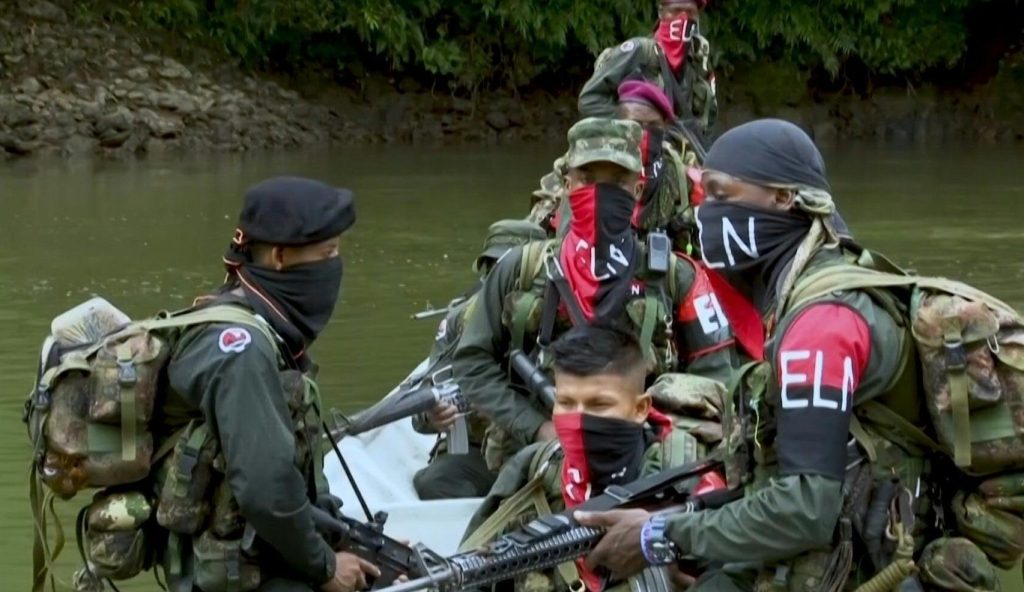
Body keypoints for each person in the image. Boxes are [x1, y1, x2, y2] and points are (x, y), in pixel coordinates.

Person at [573, 120, 1003, 592]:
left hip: (864, 567)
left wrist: (657, 538)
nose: (703, 214)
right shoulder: (826, 283)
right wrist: (678, 518)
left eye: (720, 194)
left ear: (782, 199)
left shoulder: (821, 324)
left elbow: (806, 508)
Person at [453, 117, 737, 478]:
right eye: (588, 180)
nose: (600, 193)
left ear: (638, 190)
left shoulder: (676, 277)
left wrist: (651, 425)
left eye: (616, 182)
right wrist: (536, 427)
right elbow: (472, 362)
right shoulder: (520, 269)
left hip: (645, 461)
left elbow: (718, 382)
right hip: (533, 459)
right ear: (567, 186)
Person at [156, 177, 380, 592]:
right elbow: (266, 489)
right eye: (327, 253)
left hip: (256, 549)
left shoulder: (259, 324)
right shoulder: (242, 349)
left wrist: (350, 542)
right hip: (234, 571)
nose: (335, 265)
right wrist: (326, 567)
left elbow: (290, 483)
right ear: (279, 256)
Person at [459, 326, 716, 592]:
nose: (578, 419)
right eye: (566, 403)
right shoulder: (537, 468)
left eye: (598, 405)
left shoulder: (690, 475)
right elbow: (470, 569)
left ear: (640, 408)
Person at [413, 219, 548, 500]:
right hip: (479, 450)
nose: (498, 280)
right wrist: (433, 416)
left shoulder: (559, 316)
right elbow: (423, 403)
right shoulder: (460, 320)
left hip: (544, 443)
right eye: (492, 269)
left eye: (509, 270)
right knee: (435, 482)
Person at [529, 81, 705, 255]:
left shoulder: (677, 173)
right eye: (635, 125)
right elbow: (540, 212)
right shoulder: (584, 162)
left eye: (653, 126)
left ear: (664, 127)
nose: (644, 134)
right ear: (618, 124)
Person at [578, 0, 717, 142]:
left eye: (690, 12)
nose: (683, 17)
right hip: (634, 149)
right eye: (676, 11)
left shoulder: (698, 63)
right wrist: (632, 126)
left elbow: (709, 116)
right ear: (661, 13)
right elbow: (589, 100)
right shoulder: (639, 51)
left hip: (679, 151)